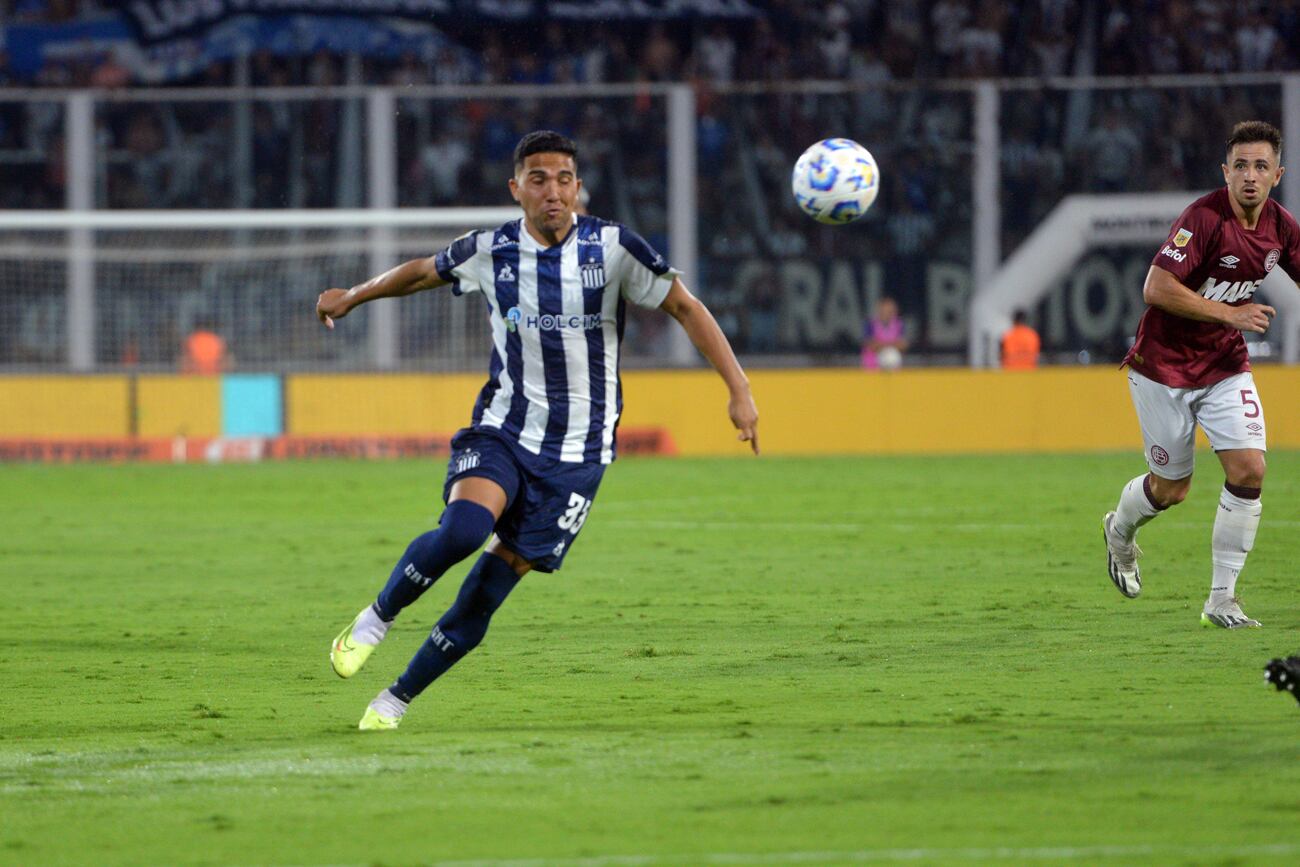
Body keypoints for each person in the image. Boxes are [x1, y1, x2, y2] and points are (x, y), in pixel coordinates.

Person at [315, 130, 760, 730]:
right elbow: (422, 271)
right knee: (465, 529)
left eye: (564, 179)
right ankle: (375, 618)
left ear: (578, 187)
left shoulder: (614, 248)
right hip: (504, 428)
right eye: (540, 179)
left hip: (579, 455)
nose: (554, 191)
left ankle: (392, 701)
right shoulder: (491, 250)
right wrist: (354, 297)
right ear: (517, 189)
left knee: (489, 591)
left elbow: (685, 306)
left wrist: (740, 389)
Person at [1101, 120, 1299, 628]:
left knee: (1250, 469)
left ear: (1277, 174)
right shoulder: (1203, 218)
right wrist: (1230, 314)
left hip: (1225, 366)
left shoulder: (1281, 227)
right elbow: (1156, 287)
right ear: (1225, 172)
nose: (1250, 176)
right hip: (1162, 368)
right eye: (1240, 166)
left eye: (1260, 166)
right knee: (1171, 490)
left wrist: (1230, 327)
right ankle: (1119, 532)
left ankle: (1221, 599)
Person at [861, 296, 907, 369]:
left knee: (891, 355)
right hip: (872, 366)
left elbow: (903, 345)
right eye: (887, 309)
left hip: (893, 365)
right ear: (880, 309)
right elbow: (870, 345)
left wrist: (882, 345)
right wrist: (892, 344)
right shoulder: (870, 323)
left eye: (892, 309)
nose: (889, 311)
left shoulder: (899, 324)